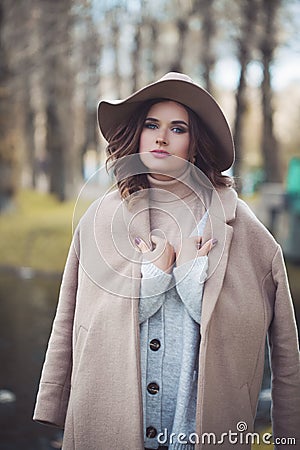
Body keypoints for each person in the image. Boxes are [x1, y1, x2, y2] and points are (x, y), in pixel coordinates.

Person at [33, 72, 300, 450]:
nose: (161, 137)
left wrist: (290, 434)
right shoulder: (99, 219)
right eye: (151, 125)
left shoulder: (248, 232)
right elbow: (69, 318)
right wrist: (54, 398)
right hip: (106, 425)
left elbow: (287, 351)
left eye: (177, 128)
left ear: (195, 144)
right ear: (137, 134)